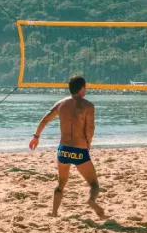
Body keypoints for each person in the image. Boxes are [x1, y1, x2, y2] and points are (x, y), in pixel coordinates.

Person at [28, 74, 104, 219]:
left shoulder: (61, 104)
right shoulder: (88, 105)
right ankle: (91, 200)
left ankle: (54, 213)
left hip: (63, 150)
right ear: (82, 88)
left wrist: (36, 137)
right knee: (94, 184)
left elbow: (44, 120)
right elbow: (90, 128)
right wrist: (88, 144)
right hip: (79, 150)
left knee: (60, 185)